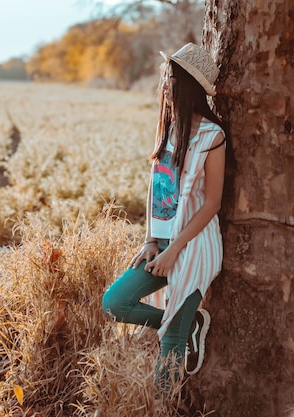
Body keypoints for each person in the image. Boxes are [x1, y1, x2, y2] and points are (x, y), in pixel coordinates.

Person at [102, 42, 226, 388]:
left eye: (170, 82)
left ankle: (161, 406)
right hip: (164, 242)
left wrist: (175, 249)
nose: (164, 88)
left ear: (186, 86)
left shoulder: (212, 136)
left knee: (171, 342)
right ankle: (190, 324)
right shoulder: (170, 129)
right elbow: (156, 187)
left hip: (196, 244)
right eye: (164, 81)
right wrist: (151, 240)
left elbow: (212, 203)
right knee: (114, 303)